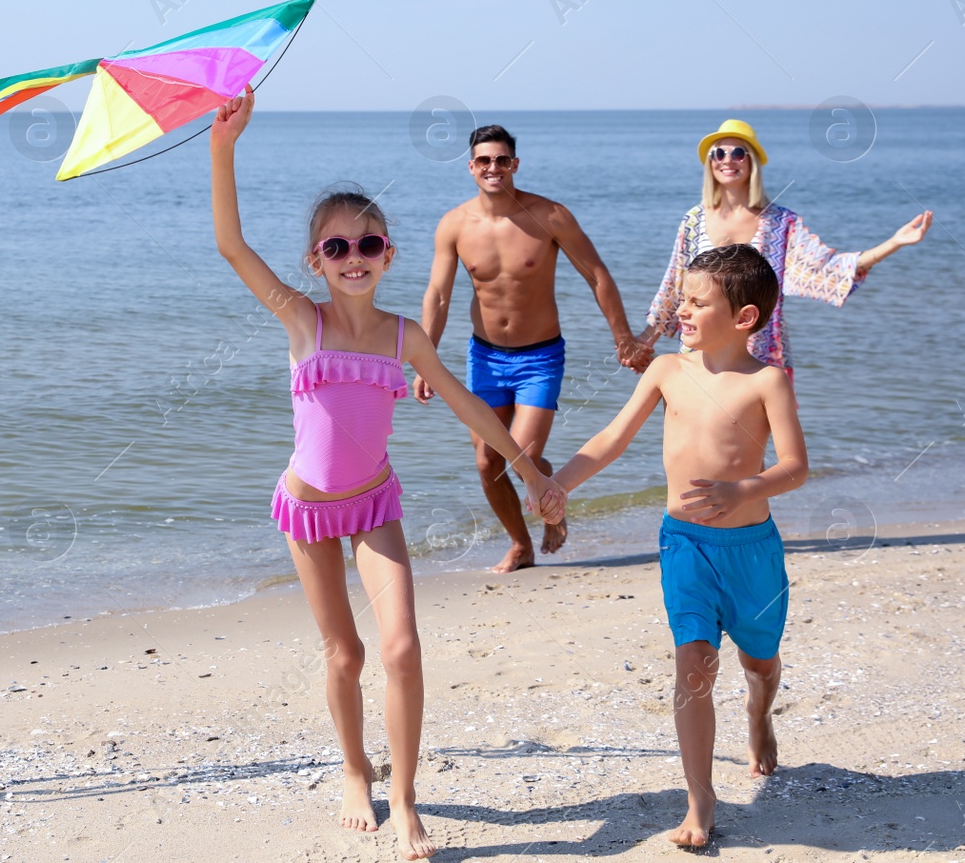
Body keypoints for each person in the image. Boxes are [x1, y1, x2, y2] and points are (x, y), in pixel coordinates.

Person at [210, 89, 565, 860]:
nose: (353, 259)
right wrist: (224, 147)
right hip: (308, 511)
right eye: (335, 249)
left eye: (367, 245)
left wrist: (529, 470)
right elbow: (231, 245)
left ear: (389, 253)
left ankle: (403, 797)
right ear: (316, 262)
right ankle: (351, 767)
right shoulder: (302, 319)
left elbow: (470, 404)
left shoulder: (404, 337)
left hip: (375, 505)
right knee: (345, 654)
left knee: (400, 649)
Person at [552, 244, 807, 848]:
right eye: (681, 300)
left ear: (744, 318)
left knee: (760, 662)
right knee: (694, 665)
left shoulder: (768, 381)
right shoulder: (667, 369)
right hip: (684, 544)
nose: (680, 312)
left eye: (696, 302)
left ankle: (760, 713)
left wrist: (744, 487)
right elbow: (613, 438)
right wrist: (558, 483)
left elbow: (796, 467)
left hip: (751, 550)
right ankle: (701, 799)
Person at [414, 124, 651, 573]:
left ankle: (549, 496)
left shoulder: (550, 216)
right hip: (484, 355)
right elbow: (439, 296)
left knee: (518, 455)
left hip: (539, 357)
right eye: (484, 161)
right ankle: (522, 544)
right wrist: (426, 358)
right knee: (488, 462)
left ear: (515, 164)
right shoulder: (455, 225)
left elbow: (596, 275)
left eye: (502, 160)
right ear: (471, 167)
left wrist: (624, 337)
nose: (493, 168)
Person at [640, 118, 932, 373]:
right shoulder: (693, 219)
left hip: (759, 355)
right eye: (719, 152)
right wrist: (644, 340)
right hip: (698, 355)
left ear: (752, 161)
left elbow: (830, 268)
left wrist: (893, 243)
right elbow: (676, 287)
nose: (727, 159)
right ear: (710, 162)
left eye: (738, 152)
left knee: (747, 437)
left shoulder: (781, 223)